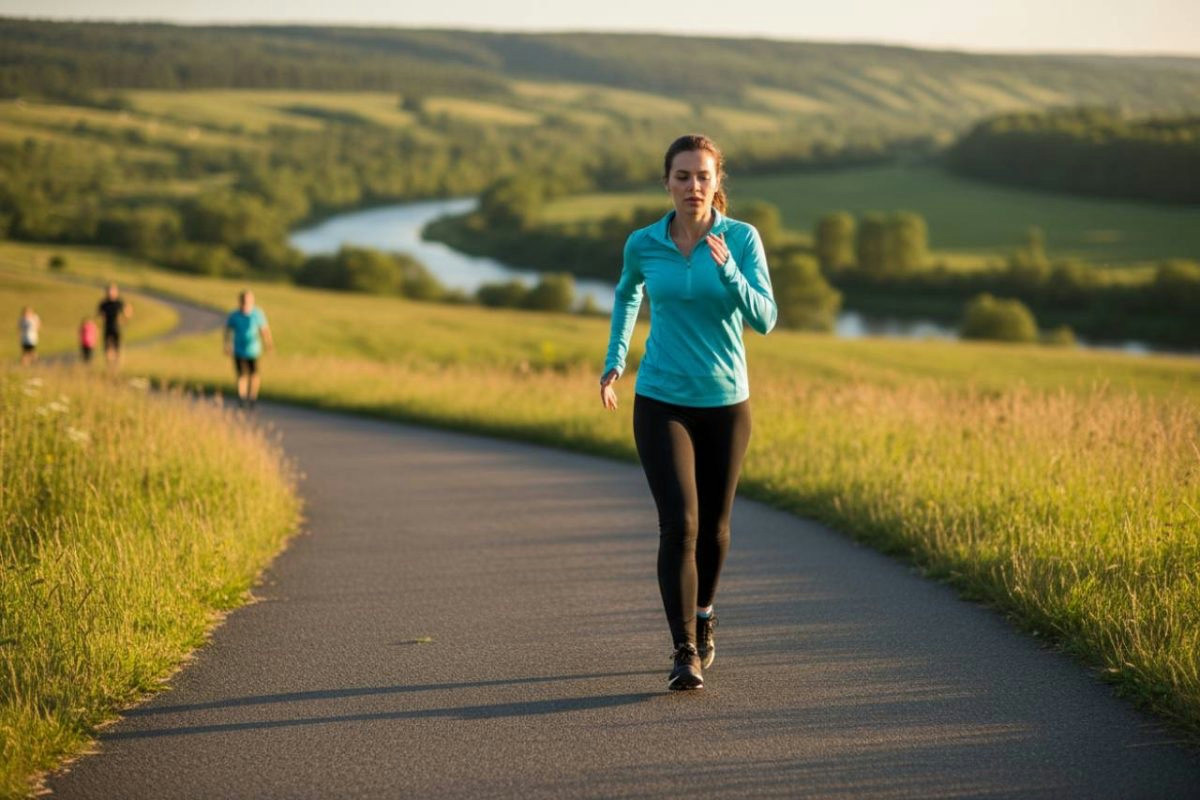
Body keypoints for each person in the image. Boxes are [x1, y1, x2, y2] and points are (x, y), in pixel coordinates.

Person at [600, 134, 777, 691]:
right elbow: (629, 295)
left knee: (715, 530)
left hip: (726, 402)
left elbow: (767, 318)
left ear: (717, 182)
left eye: (703, 176)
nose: (693, 187)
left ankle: (703, 615)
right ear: (667, 182)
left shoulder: (742, 239)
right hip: (660, 398)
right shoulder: (645, 243)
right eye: (682, 176)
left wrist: (732, 276)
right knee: (679, 524)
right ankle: (683, 652)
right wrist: (614, 362)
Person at [224, 290, 273, 410]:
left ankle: (252, 398)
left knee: (254, 375)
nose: (246, 303)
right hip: (239, 350)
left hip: (254, 350)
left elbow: (264, 330)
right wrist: (227, 344)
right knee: (241, 375)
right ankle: (242, 398)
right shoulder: (234, 315)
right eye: (244, 301)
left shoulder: (257, 314)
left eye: (248, 300)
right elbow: (228, 331)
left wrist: (269, 344)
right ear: (240, 302)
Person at [97, 283, 132, 368]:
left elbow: (128, 312)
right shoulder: (104, 303)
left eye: (112, 291)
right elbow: (99, 315)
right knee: (107, 349)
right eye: (109, 291)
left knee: (117, 349)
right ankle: (109, 366)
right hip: (107, 328)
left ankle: (116, 367)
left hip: (117, 328)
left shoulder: (119, 302)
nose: (110, 293)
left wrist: (124, 320)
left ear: (116, 292)